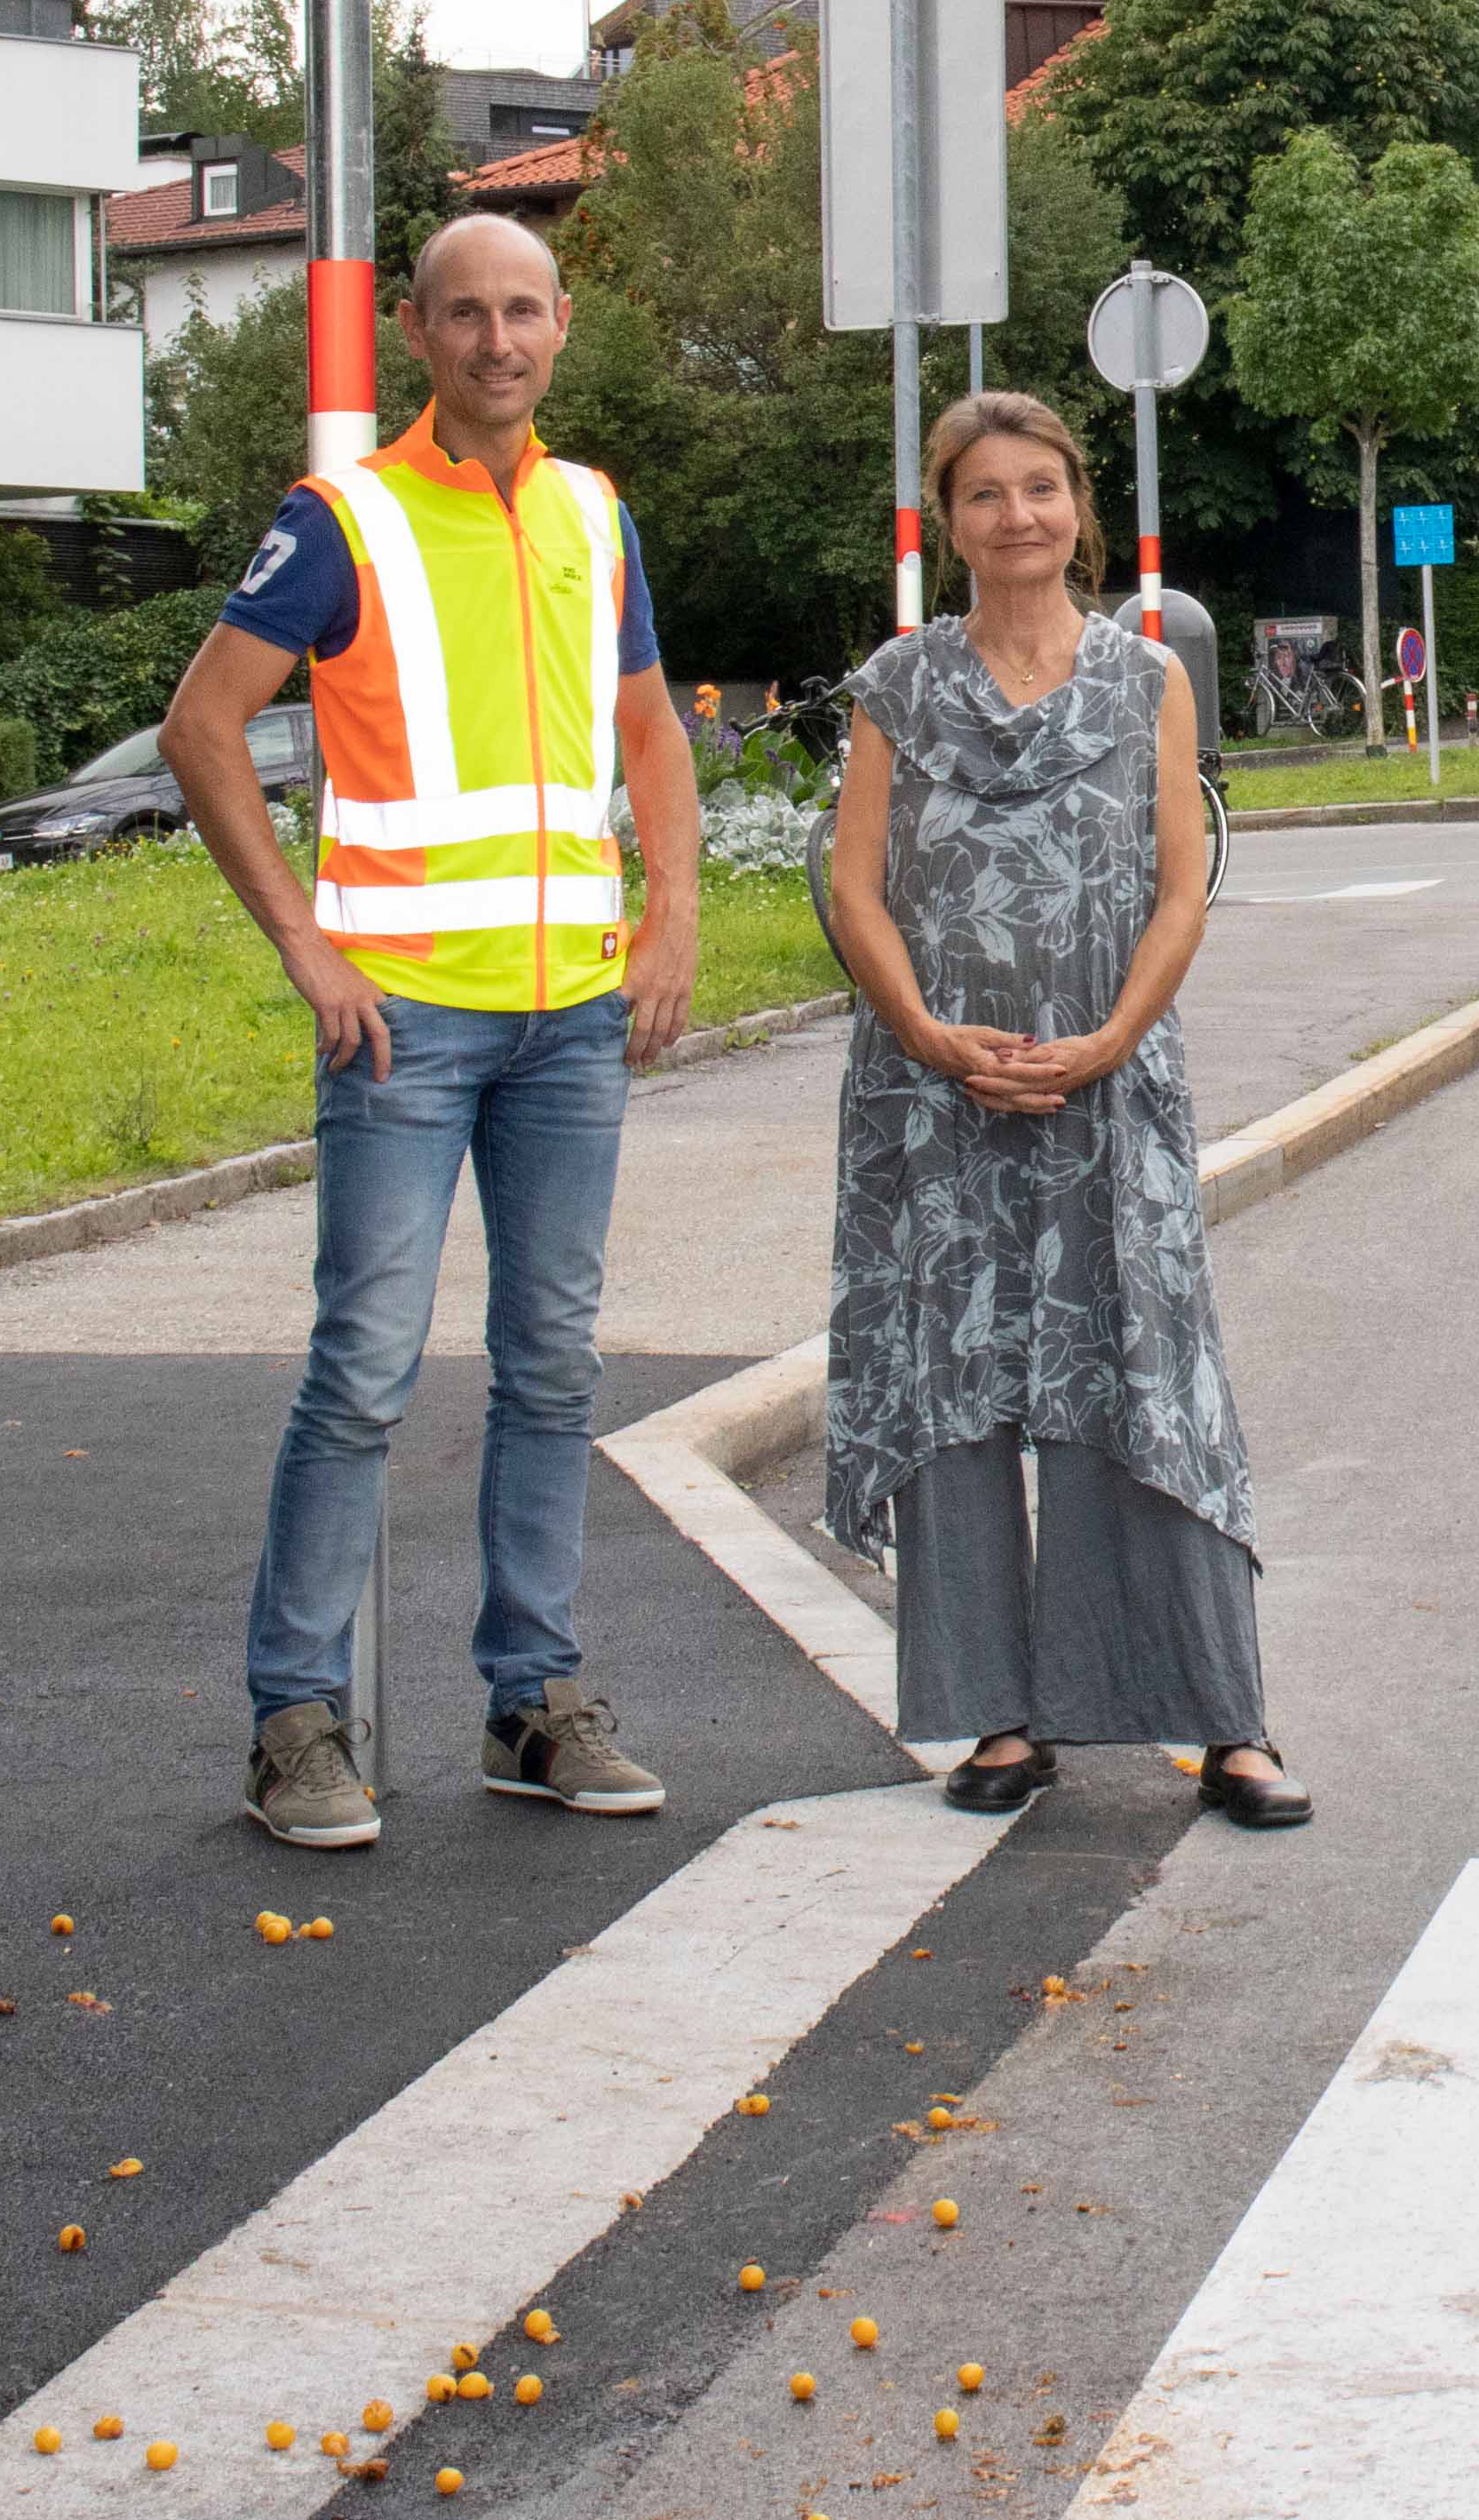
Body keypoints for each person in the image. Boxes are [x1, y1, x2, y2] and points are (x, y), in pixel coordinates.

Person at [163, 215, 704, 1851]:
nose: (496, 340)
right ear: (418, 331)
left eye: (522, 311)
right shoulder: (346, 519)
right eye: (465, 314)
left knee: (552, 1366)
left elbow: (648, 725)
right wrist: (303, 945)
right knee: (364, 1371)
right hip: (403, 1023)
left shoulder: (593, 511)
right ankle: (296, 1726)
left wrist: (671, 912)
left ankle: (533, 1700)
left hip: (567, 1024)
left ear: (561, 325)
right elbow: (202, 726)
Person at [818, 390, 1303, 1830]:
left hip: (1109, 1090)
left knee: (1152, 1383)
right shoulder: (895, 686)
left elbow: (1178, 887)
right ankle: (1001, 1721)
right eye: (985, 494)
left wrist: (1106, 1043)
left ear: (1079, 508)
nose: (1017, 516)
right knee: (957, 1390)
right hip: (932, 1097)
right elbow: (853, 886)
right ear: (948, 517)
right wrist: (921, 1032)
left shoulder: (1146, 678)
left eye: (1042, 489)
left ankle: (1227, 1723)